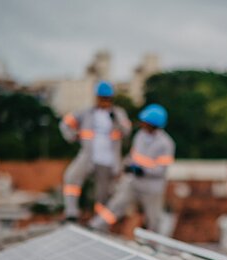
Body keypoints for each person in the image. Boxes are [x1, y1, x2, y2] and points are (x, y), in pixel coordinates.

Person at [89, 104, 175, 233]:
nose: (142, 124)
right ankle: (95, 226)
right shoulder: (140, 136)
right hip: (134, 182)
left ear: (153, 124)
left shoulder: (165, 143)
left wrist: (142, 171)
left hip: (152, 187)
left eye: (145, 122)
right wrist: (126, 167)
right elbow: (132, 156)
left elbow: (161, 170)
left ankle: (155, 244)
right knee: (117, 205)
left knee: (154, 217)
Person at [59, 80, 132, 222]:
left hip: (108, 159)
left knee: (102, 194)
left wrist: (115, 120)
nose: (104, 101)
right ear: (96, 97)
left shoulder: (118, 113)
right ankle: (71, 212)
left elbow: (126, 130)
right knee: (71, 177)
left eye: (107, 99)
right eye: (102, 98)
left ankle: (98, 222)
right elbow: (65, 123)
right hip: (88, 156)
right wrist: (72, 136)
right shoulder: (86, 112)